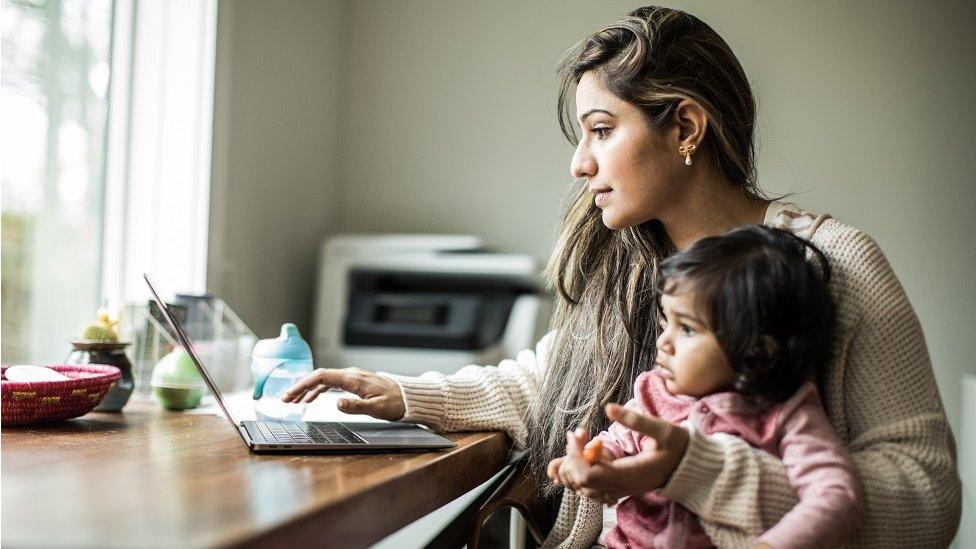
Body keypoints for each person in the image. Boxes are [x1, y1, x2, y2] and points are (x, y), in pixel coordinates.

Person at [283, 6, 960, 547]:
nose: (579, 163)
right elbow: (547, 385)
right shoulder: (625, 265)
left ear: (686, 127)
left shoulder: (835, 264)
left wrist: (697, 473)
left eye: (601, 129)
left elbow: (928, 495)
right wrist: (400, 395)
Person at [548, 224, 865, 548]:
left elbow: (837, 495)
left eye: (686, 329)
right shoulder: (655, 393)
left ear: (758, 351)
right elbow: (614, 441)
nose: (663, 342)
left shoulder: (787, 414)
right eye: (664, 324)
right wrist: (593, 461)